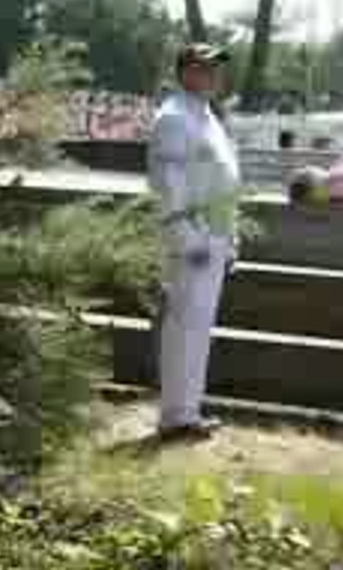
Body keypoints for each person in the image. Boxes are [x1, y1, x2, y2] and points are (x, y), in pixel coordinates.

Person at [147, 42, 240, 442]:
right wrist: (188, 238)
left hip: (214, 233)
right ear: (185, 71)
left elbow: (219, 178)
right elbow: (169, 185)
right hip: (193, 238)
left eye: (217, 68)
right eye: (205, 68)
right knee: (184, 327)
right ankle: (176, 416)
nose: (214, 75)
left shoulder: (204, 115)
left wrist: (229, 236)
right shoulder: (173, 118)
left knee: (198, 328)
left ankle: (189, 410)